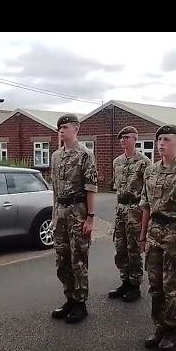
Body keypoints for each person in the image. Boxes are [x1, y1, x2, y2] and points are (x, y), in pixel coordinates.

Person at [139, 124, 176, 351]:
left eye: (166, 139)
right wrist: (143, 235)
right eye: (159, 139)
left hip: (175, 233)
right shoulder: (150, 171)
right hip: (155, 232)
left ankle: (171, 332)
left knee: (171, 285)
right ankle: (159, 328)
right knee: (155, 284)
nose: (160, 143)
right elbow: (145, 206)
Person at [50, 114, 98, 324]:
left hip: (78, 211)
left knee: (78, 259)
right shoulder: (56, 156)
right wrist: (54, 215)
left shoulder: (85, 154)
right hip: (60, 212)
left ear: (76, 130)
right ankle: (69, 298)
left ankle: (80, 303)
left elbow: (91, 189)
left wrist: (90, 218)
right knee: (62, 259)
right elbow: (54, 189)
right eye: (59, 127)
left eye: (65, 127)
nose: (61, 130)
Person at [109, 126, 151, 302]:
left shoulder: (144, 162)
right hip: (120, 210)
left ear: (135, 139)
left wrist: (145, 217)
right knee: (120, 249)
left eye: (126, 137)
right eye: (121, 138)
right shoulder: (117, 161)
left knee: (133, 249)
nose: (123, 140)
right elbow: (115, 186)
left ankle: (135, 285)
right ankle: (124, 281)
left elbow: (148, 191)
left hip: (135, 209)